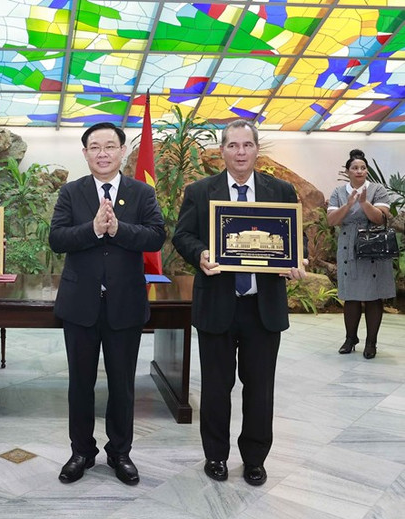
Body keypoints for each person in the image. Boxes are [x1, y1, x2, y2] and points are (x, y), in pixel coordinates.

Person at [172, 119, 307, 487]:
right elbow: (181, 235)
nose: (241, 152)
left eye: (247, 145)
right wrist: (199, 253)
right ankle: (215, 456)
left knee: (260, 389)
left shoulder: (280, 190)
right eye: (233, 146)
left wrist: (298, 259)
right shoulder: (201, 191)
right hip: (217, 304)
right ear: (222, 151)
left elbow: (297, 240)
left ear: (256, 150)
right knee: (216, 388)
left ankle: (255, 460)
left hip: (262, 308)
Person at [49, 122, 166, 485]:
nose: (102, 153)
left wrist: (118, 230)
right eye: (95, 147)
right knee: (79, 384)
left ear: (122, 152)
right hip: (80, 304)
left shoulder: (142, 192)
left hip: (125, 304)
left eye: (110, 146)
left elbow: (156, 236)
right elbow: (57, 238)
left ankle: (120, 453)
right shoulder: (71, 192)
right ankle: (81, 451)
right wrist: (94, 229)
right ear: (85, 154)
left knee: (122, 384)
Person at [327, 149, 395, 359]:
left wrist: (364, 202)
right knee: (351, 297)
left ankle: (371, 342)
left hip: (373, 248)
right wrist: (348, 204)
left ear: (366, 171)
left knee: (374, 297)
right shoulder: (339, 192)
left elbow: (380, 219)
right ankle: (350, 338)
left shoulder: (378, 190)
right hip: (348, 248)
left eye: (363, 168)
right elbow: (331, 221)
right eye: (355, 168)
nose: (359, 171)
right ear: (347, 171)